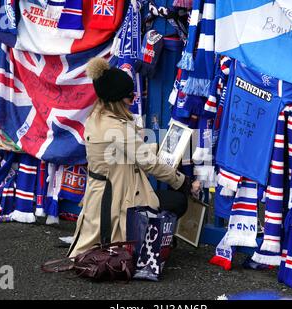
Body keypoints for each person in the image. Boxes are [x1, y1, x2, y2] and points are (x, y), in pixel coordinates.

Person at [67, 57, 199, 257]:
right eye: (130, 96)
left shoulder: (97, 118)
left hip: (104, 194)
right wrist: (184, 183)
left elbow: (131, 152)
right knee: (177, 202)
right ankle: (142, 244)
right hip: (116, 199)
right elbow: (150, 164)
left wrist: (157, 148)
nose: (134, 99)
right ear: (118, 99)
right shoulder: (116, 127)